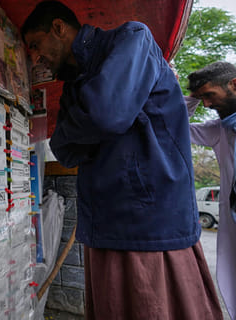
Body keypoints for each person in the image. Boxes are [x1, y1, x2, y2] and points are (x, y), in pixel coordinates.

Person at [21, 1, 223, 319]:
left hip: (150, 225)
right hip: (104, 224)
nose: (36, 57)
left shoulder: (132, 38)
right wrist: (93, 117)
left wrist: (93, 121)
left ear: (58, 28)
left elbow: (106, 115)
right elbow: (62, 147)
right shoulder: (74, 84)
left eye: (35, 44)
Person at [186, 61, 236, 319]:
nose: (206, 104)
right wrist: (191, 98)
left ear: (234, 85)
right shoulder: (221, 131)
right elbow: (173, 125)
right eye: (201, 97)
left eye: (209, 95)